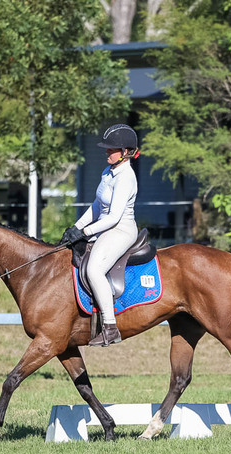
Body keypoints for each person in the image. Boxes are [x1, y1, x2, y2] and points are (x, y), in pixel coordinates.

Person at [61, 124, 140, 346]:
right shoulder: (108, 172)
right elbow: (97, 206)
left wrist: (85, 232)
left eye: (112, 149)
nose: (107, 152)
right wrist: (76, 227)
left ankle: (110, 327)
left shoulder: (126, 177)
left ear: (125, 152)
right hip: (104, 228)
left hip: (120, 230)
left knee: (94, 269)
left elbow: (114, 217)